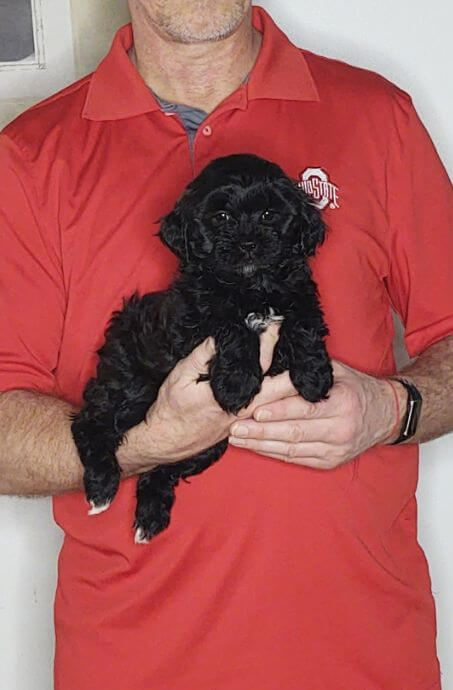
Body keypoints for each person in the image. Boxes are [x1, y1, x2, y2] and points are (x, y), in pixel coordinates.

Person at [0, 1, 451, 688]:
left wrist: (391, 410)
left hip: (360, 651)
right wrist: (145, 442)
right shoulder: (29, 155)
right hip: (132, 658)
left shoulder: (375, 115)